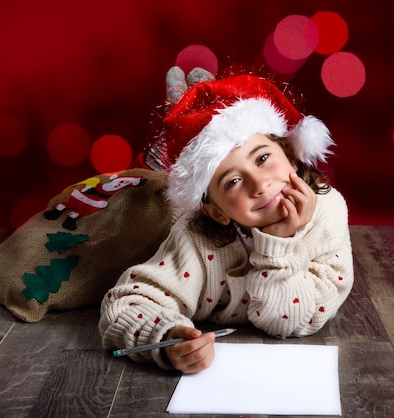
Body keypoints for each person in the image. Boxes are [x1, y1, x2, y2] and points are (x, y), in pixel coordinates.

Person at [99, 66, 354, 373]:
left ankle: (195, 108)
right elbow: (123, 305)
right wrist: (166, 337)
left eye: (262, 158)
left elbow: (298, 320)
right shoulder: (194, 237)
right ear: (216, 211)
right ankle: (165, 146)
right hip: (166, 213)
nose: (259, 185)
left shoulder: (329, 212)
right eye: (232, 182)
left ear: (289, 154)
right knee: (140, 208)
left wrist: (278, 245)